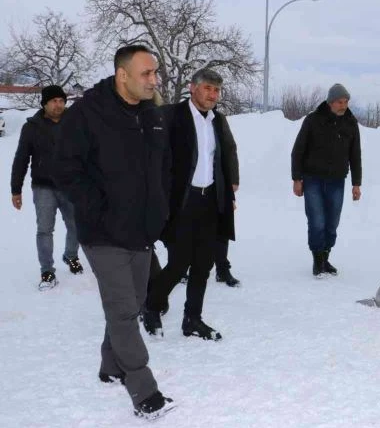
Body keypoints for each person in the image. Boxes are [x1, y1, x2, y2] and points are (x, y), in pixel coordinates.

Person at [53, 45, 175, 420]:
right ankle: (143, 389)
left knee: (134, 302)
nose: (154, 79)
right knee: (123, 310)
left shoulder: (151, 114)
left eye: (155, 73)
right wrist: (97, 209)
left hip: (141, 229)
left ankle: (110, 364)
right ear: (123, 75)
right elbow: (63, 168)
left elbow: (162, 165)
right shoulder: (88, 115)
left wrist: (160, 208)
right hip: (103, 231)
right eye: (146, 73)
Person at [142, 68, 236, 341]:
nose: (212, 95)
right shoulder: (171, 116)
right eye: (207, 88)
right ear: (192, 88)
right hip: (181, 201)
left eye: (216, 90)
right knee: (179, 262)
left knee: (204, 263)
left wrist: (228, 196)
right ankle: (151, 306)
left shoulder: (217, 121)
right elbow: (154, 159)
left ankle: (192, 318)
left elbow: (223, 159)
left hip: (210, 200)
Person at [11, 85, 83, 289]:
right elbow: (21, 158)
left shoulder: (75, 123)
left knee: (76, 225)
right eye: (54, 101)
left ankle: (70, 256)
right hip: (43, 186)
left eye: (61, 100)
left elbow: (87, 154)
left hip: (70, 185)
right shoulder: (32, 127)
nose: (58, 104)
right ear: (45, 103)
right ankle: (47, 270)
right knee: (44, 229)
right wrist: (16, 189)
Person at [291, 83, 362, 277]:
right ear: (331, 102)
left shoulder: (350, 123)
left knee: (332, 223)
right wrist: (297, 178)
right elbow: (298, 151)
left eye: (346, 101)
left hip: (337, 181)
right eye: (340, 101)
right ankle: (317, 260)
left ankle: (326, 256)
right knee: (317, 221)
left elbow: (355, 155)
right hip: (312, 179)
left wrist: (356, 184)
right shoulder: (313, 120)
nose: (344, 105)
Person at [214, 117, 241, 287]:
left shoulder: (218, 119)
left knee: (222, 226)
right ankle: (181, 268)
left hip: (220, 180)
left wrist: (233, 179)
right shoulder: (182, 115)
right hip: (189, 184)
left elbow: (230, 148)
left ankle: (222, 269)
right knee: (188, 229)